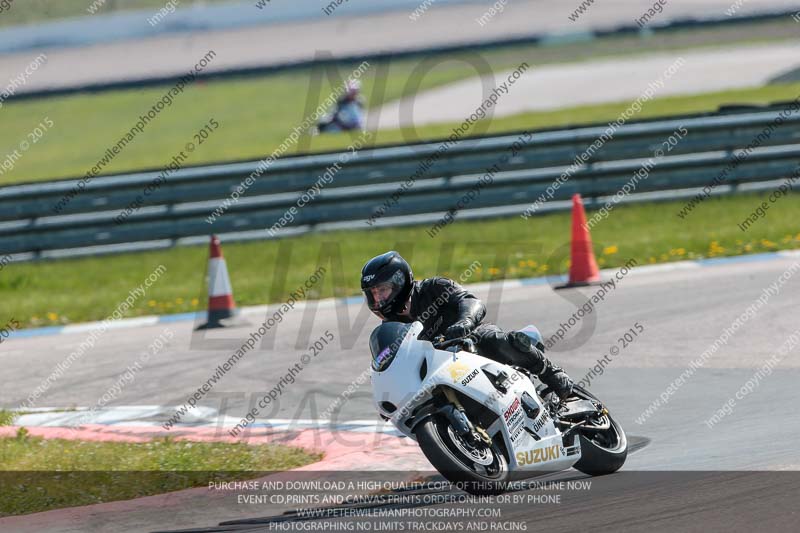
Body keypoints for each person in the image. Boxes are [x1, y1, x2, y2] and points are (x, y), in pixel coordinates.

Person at [360, 251, 574, 400]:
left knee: (495, 340)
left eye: (382, 290)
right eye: (373, 294)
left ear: (400, 282)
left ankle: (552, 373)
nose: (378, 299)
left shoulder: (434, 287)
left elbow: (470, 301)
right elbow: (392, 362)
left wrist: (465, 321)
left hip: (471, 339)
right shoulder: (392, 327)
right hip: (441, 368)